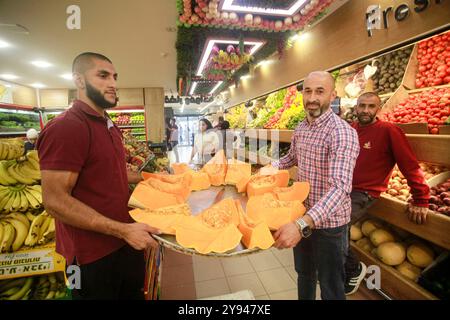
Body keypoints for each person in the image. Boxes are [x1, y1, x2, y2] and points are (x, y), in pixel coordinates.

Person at [36, 52, 160, 300]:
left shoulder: (108, 125)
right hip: (85, 258)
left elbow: (112, 172)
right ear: (79, 80)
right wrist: (123, 231)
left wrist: (152, 179)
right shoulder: (66, 127)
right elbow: (55, 201)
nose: (113, 83)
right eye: (102, 75)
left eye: (114, 76)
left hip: (125, 242)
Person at [265, 71, 360, 300]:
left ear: (333, 95)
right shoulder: (301, 128)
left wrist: (300, 225)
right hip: (302, 214)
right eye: (308, 91)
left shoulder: (342, 133)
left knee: (331, 284)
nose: (312, 98)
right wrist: (268, 169)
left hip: (330, 225)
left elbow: (340, 188)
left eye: (320, 91)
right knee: (304, 274)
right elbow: (291, 159)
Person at [344, 92, 430, 295]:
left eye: (371, 106)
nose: (365, 110)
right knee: (328, 224)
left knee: (338, 225)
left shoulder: (389, 131)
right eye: (362, 106)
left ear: (378, 109)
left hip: (365, 192)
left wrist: (421, 198)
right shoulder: (350, 129)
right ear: (356, 107)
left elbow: (410, 165)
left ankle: (353, 268)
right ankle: (337, 264)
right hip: (344, 188)